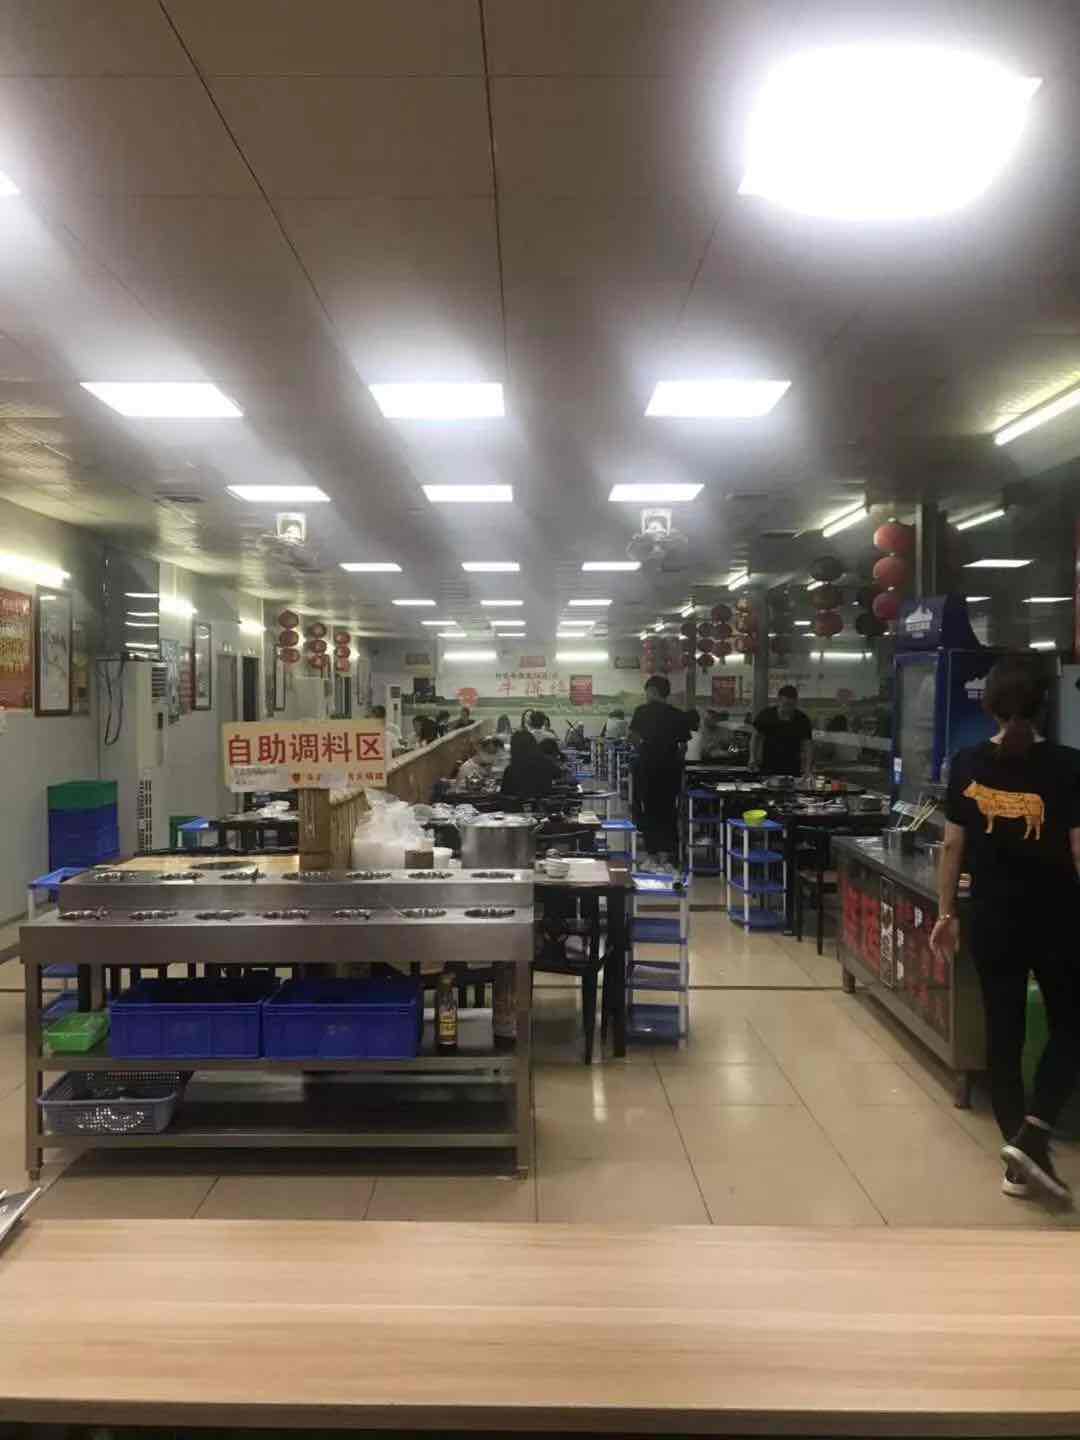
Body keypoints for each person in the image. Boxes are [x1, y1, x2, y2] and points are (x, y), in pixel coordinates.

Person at [932, 657, 1080, 1203]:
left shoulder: (967, 763)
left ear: (989, 704)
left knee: (1003, 1033)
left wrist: (946, 913)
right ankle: (1035, 1132)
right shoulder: (1069, 765)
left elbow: (953, 846)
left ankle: (1019, 1159)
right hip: (1060, 919)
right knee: (1072, 1024)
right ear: (1045, 704)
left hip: (991, 919)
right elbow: (1079, 849)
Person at [629, 674, 692, 864]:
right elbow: (683, 746)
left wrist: (644, 750)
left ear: (652, 691)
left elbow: (632, 737)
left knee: (648, 808)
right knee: (668, 809)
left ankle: (652, 853)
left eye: (647, 692)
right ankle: (667, 853)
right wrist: (674, 760)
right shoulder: (678, 714)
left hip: (647, 766)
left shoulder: (641, 711)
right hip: (670, 769)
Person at [752, 684, 813, 776]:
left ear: (796, 702)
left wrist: (808, 768)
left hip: (792, 766)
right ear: (779, 700)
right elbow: (755, 738)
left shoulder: (802, 720)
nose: (789, 708)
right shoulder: (766, 715)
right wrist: (752, 758)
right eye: (786, 704)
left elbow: (808, 745)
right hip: (768, 765)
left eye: (792, 705)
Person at [500, 729, 562, 800]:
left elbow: (505, 794)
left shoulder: (510, 770)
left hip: (518, 805)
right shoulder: (547, 763)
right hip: (543, 803)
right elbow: (559, 775)